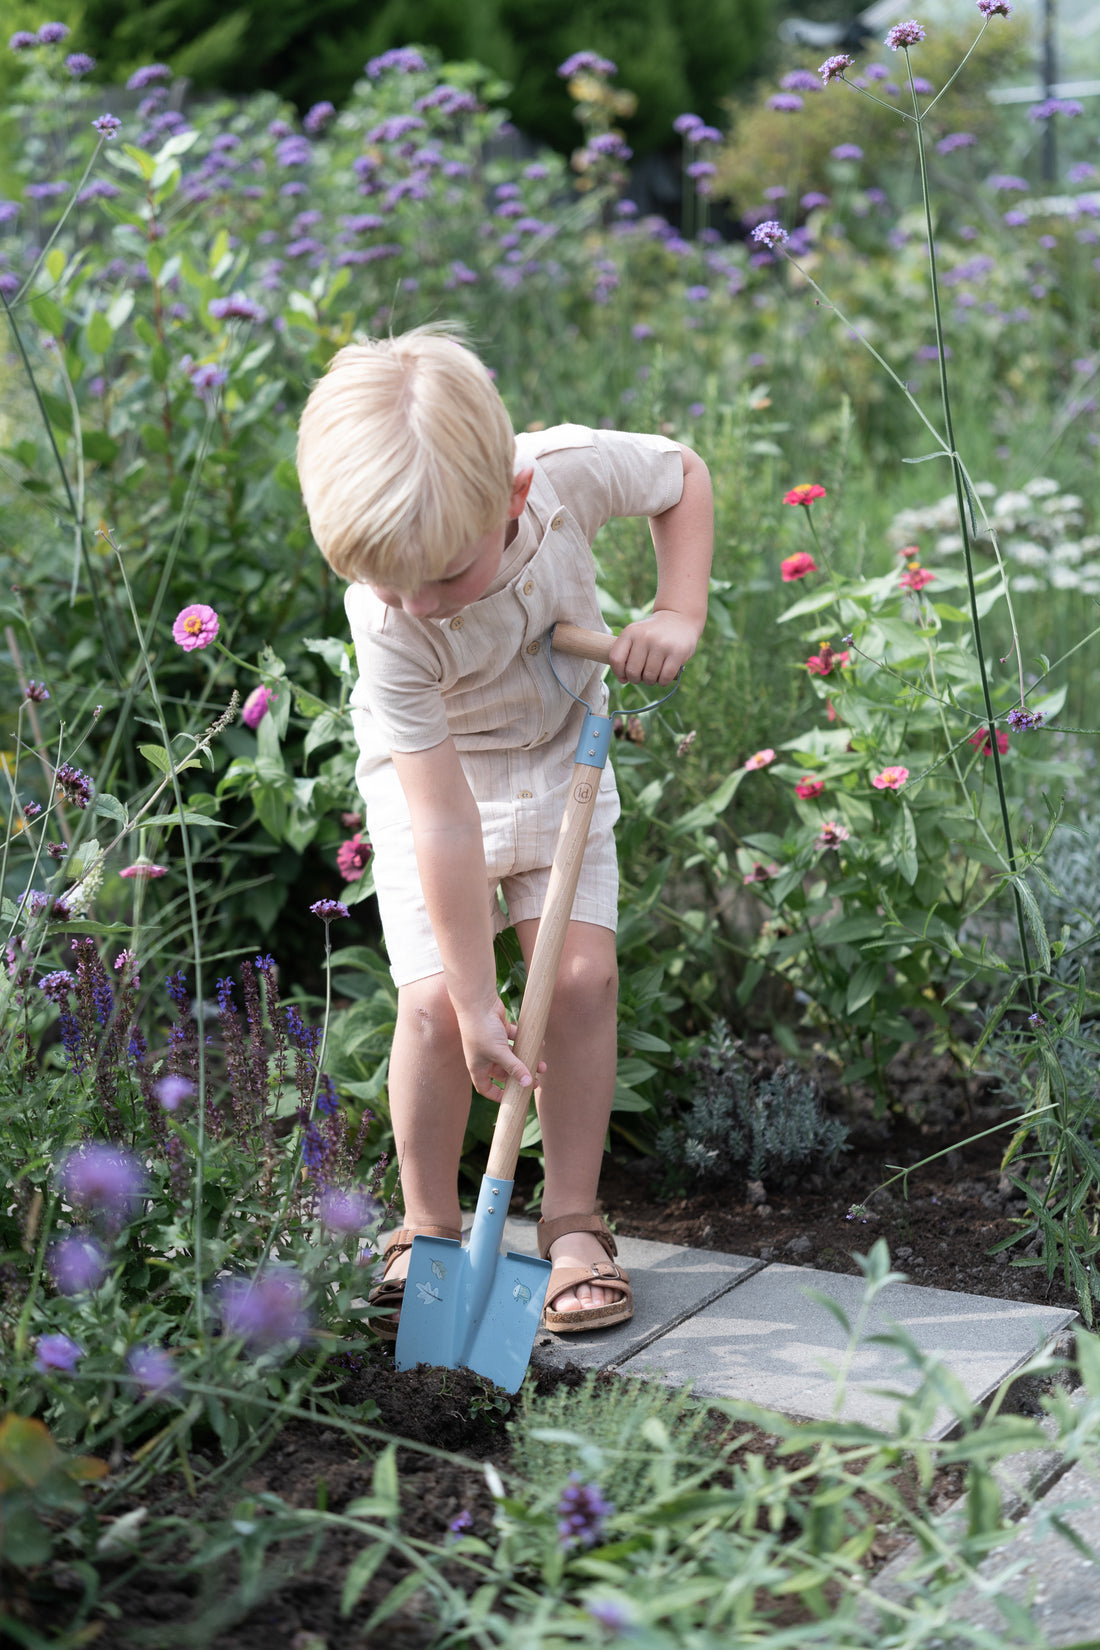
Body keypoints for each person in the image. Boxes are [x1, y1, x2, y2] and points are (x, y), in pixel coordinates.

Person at [296, 326, 713, 1336]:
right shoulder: (388, 617)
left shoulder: (562, 472)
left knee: (576, 982)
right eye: (388, 582)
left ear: (513, 500)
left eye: (442, 575)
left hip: (555, 749)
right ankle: (429, 1227)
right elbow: (440, 821)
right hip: (431, 780)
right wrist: (481, 1000)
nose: (418, 605)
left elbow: (683, 476)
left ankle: (571, 1222)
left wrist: (676, 607)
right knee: (440, 1008)